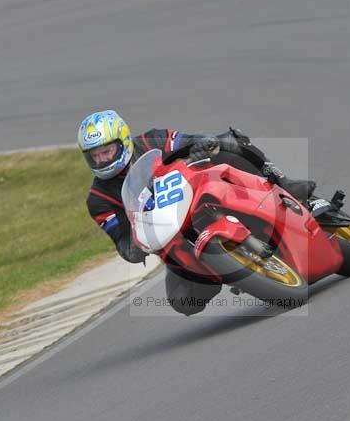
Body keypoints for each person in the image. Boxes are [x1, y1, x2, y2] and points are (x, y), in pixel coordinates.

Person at [79, 109, 315, 315]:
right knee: (184, 300)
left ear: (123, 141)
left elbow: (192, 141)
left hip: (198, 192)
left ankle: (282, 183)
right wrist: (133, 247)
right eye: (95, 156)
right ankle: (227, 268)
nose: (102, 160)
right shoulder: (98, 200)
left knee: (229, 140)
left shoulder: (151, 140)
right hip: (174, 236)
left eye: (106, 151)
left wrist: (202, 145)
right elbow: (121, 241)